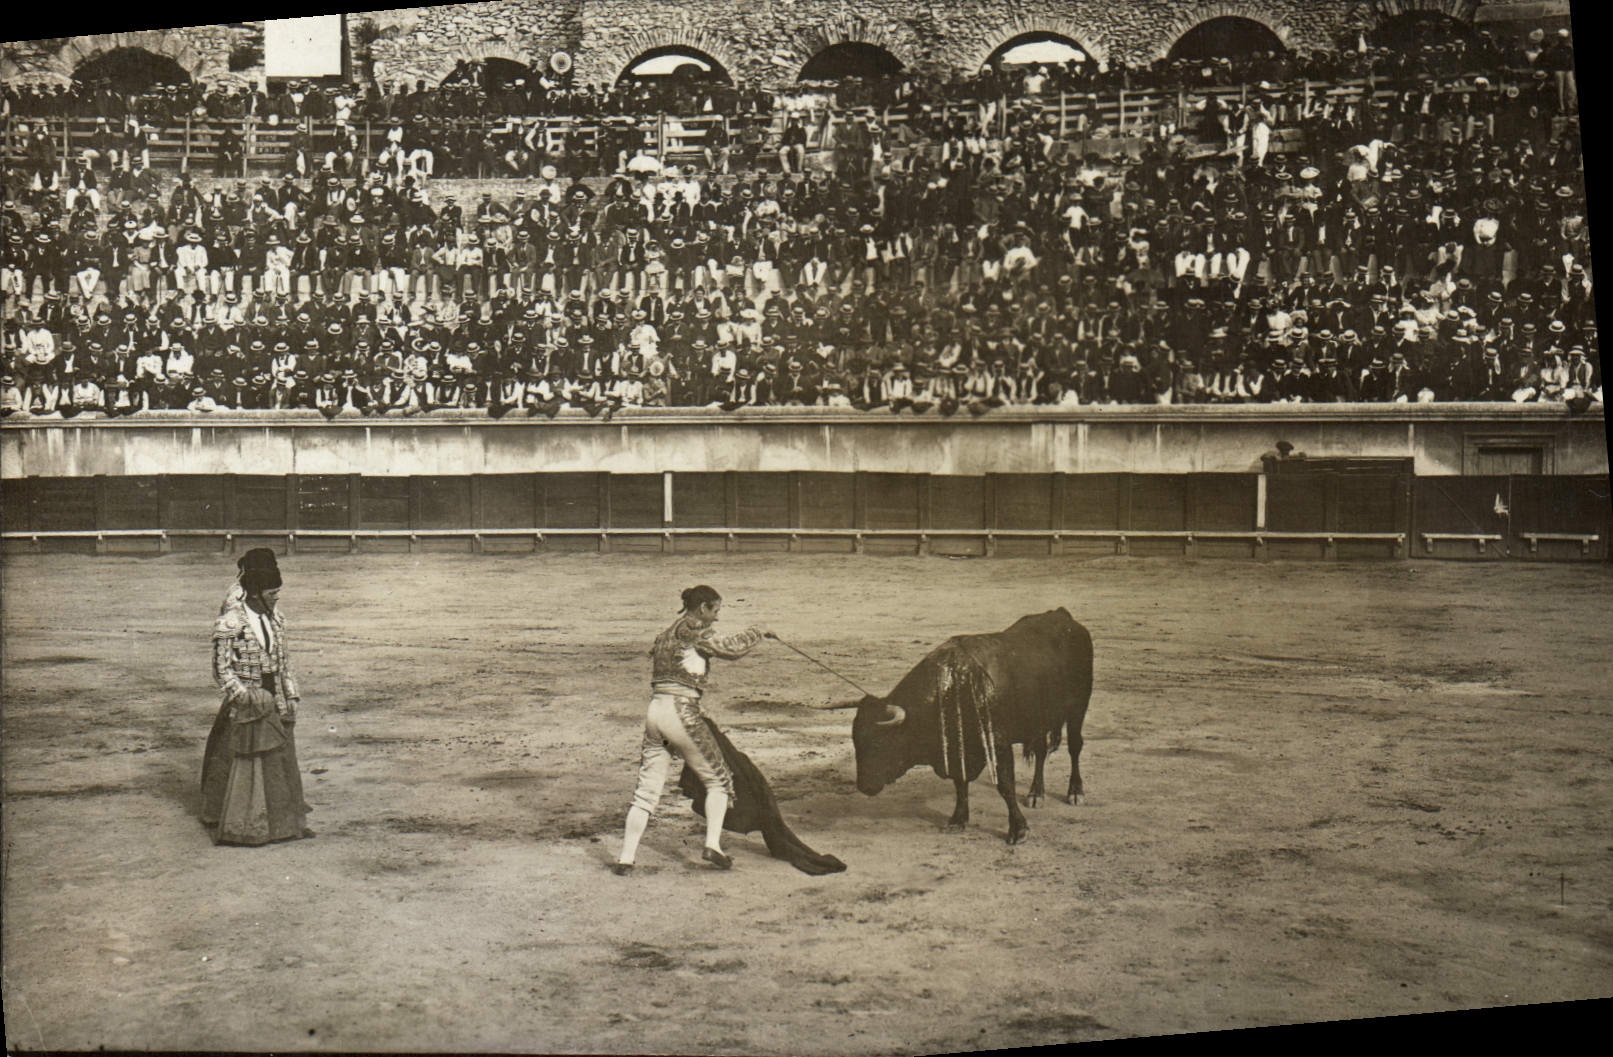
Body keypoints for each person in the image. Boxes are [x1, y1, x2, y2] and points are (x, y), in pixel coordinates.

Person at [614, 585, 773, 875]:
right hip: (681, 712)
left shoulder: (663, 637)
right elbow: (732, 648)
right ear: (702, 608)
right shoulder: (695, 631)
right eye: (715, 610)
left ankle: (626, 858)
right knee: (719, 779)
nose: (717, 618)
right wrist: (758, 632)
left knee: (646, 791)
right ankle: (713, 844)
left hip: (654, 713)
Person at [200, 554, 311, 845]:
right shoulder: (230, 621)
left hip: (277, 696)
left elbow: (284, 662)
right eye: (272, 593)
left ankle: (284, 824)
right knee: (245, 761)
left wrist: (292, 694)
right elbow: (222, 671)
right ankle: (245, 825)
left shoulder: (277, 619)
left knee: (282, 761)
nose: (277, 599)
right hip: (249, 699)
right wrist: (245, 697)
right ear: (255, 593)